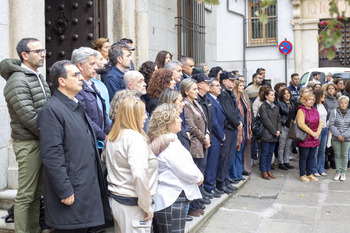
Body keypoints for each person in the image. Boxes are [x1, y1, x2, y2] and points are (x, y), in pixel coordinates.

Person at [37, 60, 109, 232]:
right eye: (75, 75)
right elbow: (52, 155)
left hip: (84, 189)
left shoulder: (76, 106)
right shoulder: (51, 110)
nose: (80, 78)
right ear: (62, 81)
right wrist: (64, 190)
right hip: (72, 192)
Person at [0, 37, 51, 233]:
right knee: (26, 194)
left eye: (43, 50)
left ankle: (34, 228)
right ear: (24, 55)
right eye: (38, 51)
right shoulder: (17, 80)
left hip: (40, 139)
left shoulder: (36, 75)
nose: (42, 54)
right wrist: (50, 135)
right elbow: (28, 116)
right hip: (28, 143)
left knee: (37, 192)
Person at [104, 96, 158, 233]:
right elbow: (139, 175)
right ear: (133, 116)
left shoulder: (113, 137)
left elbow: (104, 161)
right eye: (142, 113)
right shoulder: (134, 139)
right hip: (132, 204)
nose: (146, 116)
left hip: (117, 200)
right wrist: (147, 206)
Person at [147, 104, 203, 233]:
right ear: (167, 122)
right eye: (177, 117)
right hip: (170, 199)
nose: (181, 120)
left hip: (171, 198)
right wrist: (198, 176)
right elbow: (184, 169)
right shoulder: (168, 143)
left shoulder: (169, 138)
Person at [181, 78, 211, 214]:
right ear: (186, 92)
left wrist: (207, 134)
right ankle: (192, 206)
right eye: (194, 89)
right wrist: (203, 137)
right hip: (195, 143)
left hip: (202, 142)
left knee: (201, 172)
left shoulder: (196, 103)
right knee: (195, 174)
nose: (197, 91)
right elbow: (191, 125)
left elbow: (204, 121)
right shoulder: (186, 105)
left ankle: (198, 201)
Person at [72, 47, 111, 142]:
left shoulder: (92, 84)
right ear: (80, 65)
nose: (96, 67)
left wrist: (108, 133)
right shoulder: (76, 88)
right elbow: (84, 117)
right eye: (92, 64)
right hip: (89, 141)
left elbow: (103, 111)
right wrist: (103, 136)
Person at [216, 72, 243, 193]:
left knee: (229, 156)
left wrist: (239, 121)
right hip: (228, 128)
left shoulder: (229, 93)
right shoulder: (223, 94)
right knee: (224, 156)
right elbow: (228, 111)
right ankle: (221, 182)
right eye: (231, 80)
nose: (233, 82)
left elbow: (236, 110)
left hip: (232, 128)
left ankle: (225, 180)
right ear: (224, 81)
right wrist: (237, 123)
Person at [203, 78, 226, 197]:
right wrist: (221, 135)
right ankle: (208, 186)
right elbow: (214, 121)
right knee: (211, 163)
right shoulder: (209, 99)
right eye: (217, 85)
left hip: (217, 136)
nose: (220, 87)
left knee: (215, 162)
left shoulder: (216, 99)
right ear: (210, 88)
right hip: (214, 136)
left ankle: (211, 185)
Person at [229, 80, 252, 182]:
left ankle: (238, 173)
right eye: (241, 85)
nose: (243, 87)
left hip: (244, 127)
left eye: (243, 85)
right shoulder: (233, 98)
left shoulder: (243, 98)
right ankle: (233, 174)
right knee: (234, 152)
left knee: (240, 151)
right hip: (236, 127)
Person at [296, 93, 322, 182]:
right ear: (304, 100)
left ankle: (310, 173)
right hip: (305, 137)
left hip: (314, 137)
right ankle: (302, 174)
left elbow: (320, 122)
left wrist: (317, 132)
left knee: (312, 156)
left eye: (312, 99)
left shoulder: (315, 110)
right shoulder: (301, 110)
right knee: (304, 157)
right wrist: (312, 133)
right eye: (309, 99)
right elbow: (301, 124)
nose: (312, 101)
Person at [259, 89, 281, 180]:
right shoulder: (263, 107)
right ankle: (263, 171)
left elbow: (279, 120)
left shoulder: (275, 106)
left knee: (270, 153)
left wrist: (279, 130)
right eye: (271, 95)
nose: (273, 96)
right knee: (265, 153)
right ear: (266, 96)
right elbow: (265, 120)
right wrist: (274, 131)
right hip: (267, 134)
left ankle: (268, 170)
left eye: (274, 95)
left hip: (275, 134)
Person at [329, 96, 350, 181]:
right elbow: (331, 124)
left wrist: (344, 135)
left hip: (347, 138)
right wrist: (338, 135)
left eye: (345, 102)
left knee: (345, 155)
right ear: (338, 103)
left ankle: (343, 173)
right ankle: (338, 172)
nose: (343, 104)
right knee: (337, 155)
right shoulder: (334, 112)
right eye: (341, 102)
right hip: (335, 137)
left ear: (347, 104)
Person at [277, 88, 296, 170]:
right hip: (283, 126)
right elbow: (278, 116)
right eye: (285, 93)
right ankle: (281, 162)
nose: (287, 95)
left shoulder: (292, 103)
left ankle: (286, 161)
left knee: (288, 145)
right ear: (282, 95)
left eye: (288, 93)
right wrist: (281, 124)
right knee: (282, 145)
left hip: (291, 127)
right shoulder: (279, 103)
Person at [313, 89, 330, 176]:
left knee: (322, 150)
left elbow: (328, 116)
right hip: (317, 130)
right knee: (315, 150)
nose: (324, 96)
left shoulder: (324, 105)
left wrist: (327, 124)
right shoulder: (314, 106)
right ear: (319, 96)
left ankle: (321, 169)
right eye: (323, 95)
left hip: (325, 129)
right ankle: (314, 169)